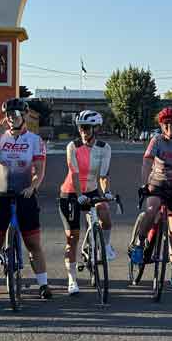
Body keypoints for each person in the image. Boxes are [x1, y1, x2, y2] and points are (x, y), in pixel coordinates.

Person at [0, 98, 51, 304]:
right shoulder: (0, 137)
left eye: (16, 114)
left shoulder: (35, 140)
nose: (11, 117)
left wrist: (33, 187)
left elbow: (39, 171)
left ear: (24, 116)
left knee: (33, 243)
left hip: (25, 194)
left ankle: (43, 284)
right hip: (0, 194)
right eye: (8, 114)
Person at [129, 107, 172, 290]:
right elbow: (147, 162)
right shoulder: (156, 140)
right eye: (165, 124)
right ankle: (139, 243)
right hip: (158, 183)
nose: (169, 127)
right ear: (161, 125)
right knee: (152, 210)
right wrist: (144, 184)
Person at [58, 109, 115, 295]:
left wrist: (106, 192)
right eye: (81, 127)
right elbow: (74, 173)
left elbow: (103, 175)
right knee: (72, 238)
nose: (83, 131)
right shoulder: (72, 147)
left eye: (87, 128)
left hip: (91, 189)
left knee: (104, 211)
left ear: (96, 128)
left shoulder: (104, 148)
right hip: (70, 192)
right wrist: (79, 194)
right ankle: (72, 280)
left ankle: (105, 246)